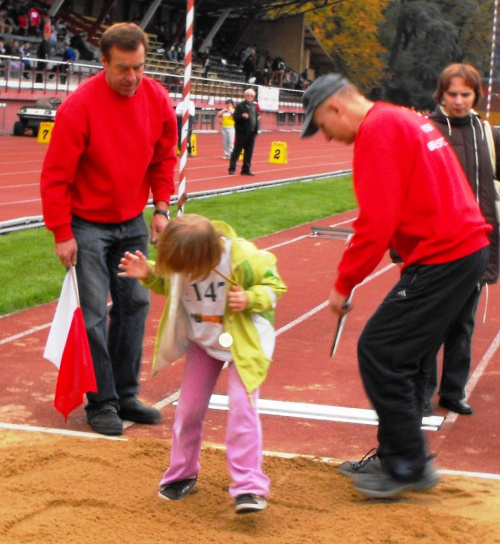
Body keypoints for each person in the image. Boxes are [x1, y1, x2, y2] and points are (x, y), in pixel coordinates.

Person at [301, 73, 491, 498]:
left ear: (334, 108)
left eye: (323, 127)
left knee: (380, 350)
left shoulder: (378, 131)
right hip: (456, 249)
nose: (328, 138)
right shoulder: (399, 119)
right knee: (397, 354)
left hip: (447, 254)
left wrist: (343, 283)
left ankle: (407, 463)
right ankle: (397, 455)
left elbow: (376, 222)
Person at [40, 22, 178, 436]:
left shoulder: (155, 98)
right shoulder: (79, 107)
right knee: (94, 314)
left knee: (136, 303)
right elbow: (55, 177)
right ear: (103, 62)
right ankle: (101, 401)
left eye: (138, 67)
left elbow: (163, 156)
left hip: (131, 221)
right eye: (123, 68)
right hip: (87, 224)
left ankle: (125, 392)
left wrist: (161, 206)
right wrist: (62, 232)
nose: (132, 77)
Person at [118, 213, 287, 513]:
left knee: (241, 410)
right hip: (203, 343)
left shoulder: (243, 258)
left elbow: (275, 288)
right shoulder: (182, 262)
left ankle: (249, 487)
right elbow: (167, 282)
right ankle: (181, 474)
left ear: (201, 257)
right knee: (188, 410)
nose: (178, 272)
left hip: (244, 343)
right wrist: (147, 273)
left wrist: (250, 298)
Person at [421, 64, 499, 416]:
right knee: (428, 324)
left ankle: (453, 391)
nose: (458, 100)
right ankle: (422, 393)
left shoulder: (487, 133)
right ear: (441, 94)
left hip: (477, 245)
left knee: (463, 324)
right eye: (451, 93)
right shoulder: (425, 130)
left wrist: (494, 252)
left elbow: (491, 193)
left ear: (475, 96)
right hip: (436, 246)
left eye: (465, 94)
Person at [228, 88, 259, 176]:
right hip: (242, 132)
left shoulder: (254, 106)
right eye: (248, 95)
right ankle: (232, 168)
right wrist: (242, 116)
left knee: (249, 152)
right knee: (237, 151)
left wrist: (256, 129)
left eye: (252, 96)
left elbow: (256, 118)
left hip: (252, 132)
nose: (250, 97)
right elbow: (235, 117)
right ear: (245, 96)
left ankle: (246, 169)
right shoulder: (240, 106)